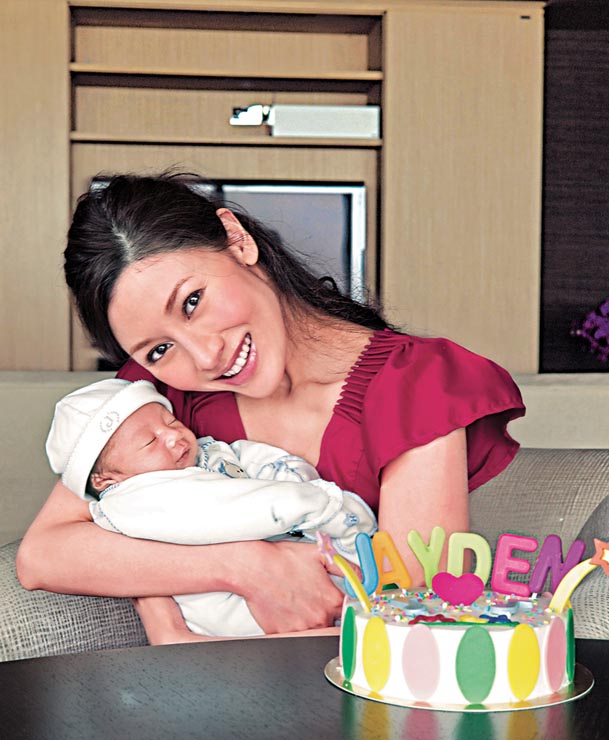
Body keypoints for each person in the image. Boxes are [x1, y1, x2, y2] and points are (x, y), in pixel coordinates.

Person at [17, 172, 525, 645]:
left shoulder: (415, 384)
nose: (206, 357)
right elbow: (44, 554)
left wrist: (174, 623)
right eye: (159, 349)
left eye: (192, 302)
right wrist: (244, 566)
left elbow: (410, 618)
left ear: (237, 240)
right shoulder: (158, 400)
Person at [45, 377, 376, 637]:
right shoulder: (137, 499)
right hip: (240, 613)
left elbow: (249, 459)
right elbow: (230, 509)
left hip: (288, 565)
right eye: (150, 441)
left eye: (170, 421)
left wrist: (287, 475)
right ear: (105, 479)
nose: (173, 436)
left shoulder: (200, 456)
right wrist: (318, 504)